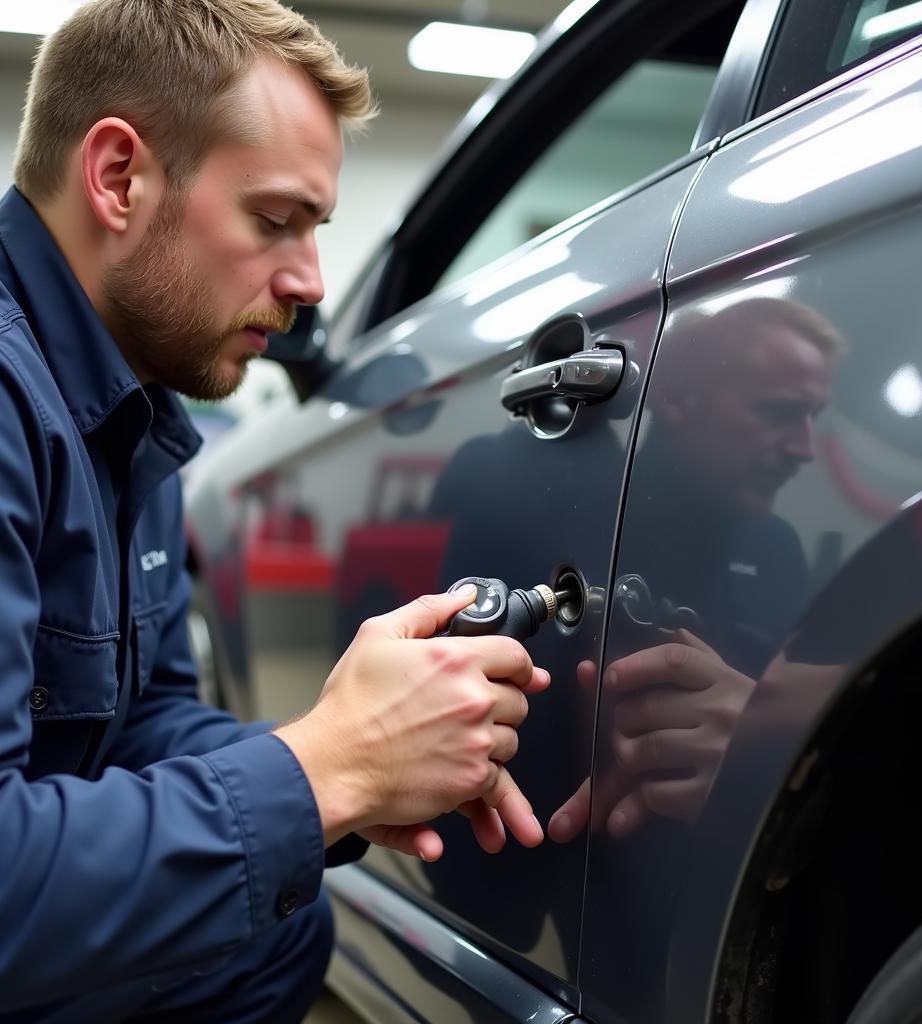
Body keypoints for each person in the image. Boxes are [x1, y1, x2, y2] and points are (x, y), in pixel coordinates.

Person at [0, 2, 549, 1021]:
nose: (308, 283)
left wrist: (360, 758)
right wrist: (323, 771)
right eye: (274, 220)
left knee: (277, 927)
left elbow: (142, 724)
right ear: (119, 177)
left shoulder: (134, 409)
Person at [548, 297, 846, 841]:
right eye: (778, 411)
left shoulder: (775, 549)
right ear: (678, 397)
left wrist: (764, 739)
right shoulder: (559, 516)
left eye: (812, 417)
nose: (805, 449)